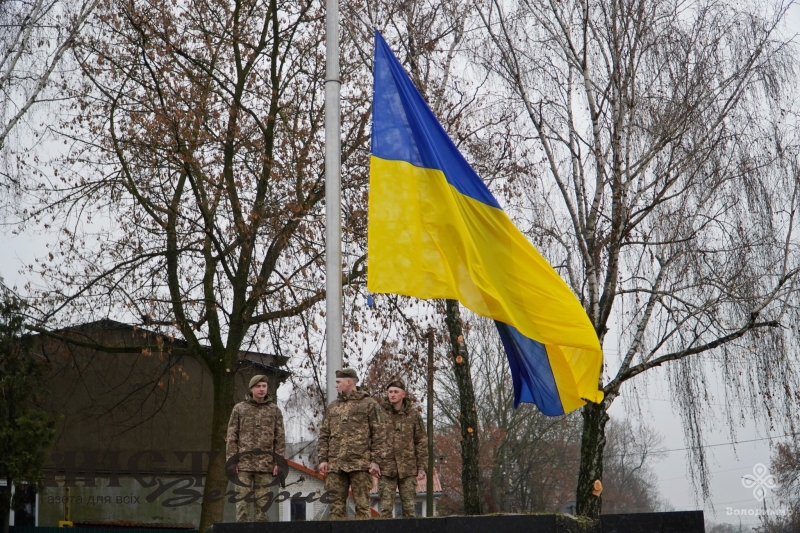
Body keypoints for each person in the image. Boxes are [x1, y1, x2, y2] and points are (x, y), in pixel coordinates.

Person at [318, 368, 386, 519]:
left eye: (338, 382)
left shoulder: (369, 404)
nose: (336, 385)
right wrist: (323, 459)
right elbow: (324, 434)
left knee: (362, 508)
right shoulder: (333, 407)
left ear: (349, 382)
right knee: (336, 510)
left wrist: (375, 461)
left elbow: (380, 434)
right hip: (336, 465)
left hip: (360, 465)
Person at [225, 375, 285, 522]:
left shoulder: (274, 411)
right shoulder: (239, 409)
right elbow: (232, 436)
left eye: (264, 386)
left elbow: (280, 438)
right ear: (251, 388)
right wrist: (231, 461)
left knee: (262, 509)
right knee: (242, 506)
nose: (261, 389)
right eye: (258, 386)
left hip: (265, 466)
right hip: (243, 465)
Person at [378, 379, 427, 518]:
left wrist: (421, 467)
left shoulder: (413, 415)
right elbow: (373, 439)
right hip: (386, 468)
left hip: (408, 468)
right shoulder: (380, 414)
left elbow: (421, 441)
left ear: (403, 394)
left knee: (409, 510)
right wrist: (374, 462)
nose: (392, 394)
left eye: (396, 392)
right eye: (390, 392)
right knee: (385, 510)